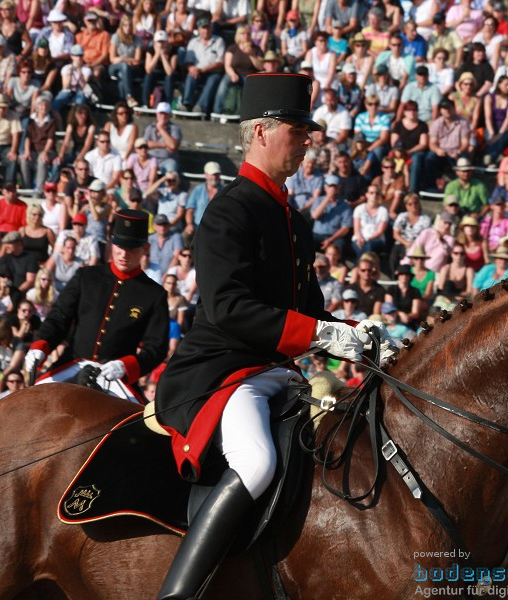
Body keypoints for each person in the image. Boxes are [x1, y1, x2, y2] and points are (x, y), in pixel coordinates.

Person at [152, 74, 388, 599]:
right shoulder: (229, 210)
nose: (307, 141)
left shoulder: (293, 220)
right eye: (297, 130)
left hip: (277, 374)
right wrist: (322, 332)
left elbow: (311, 312)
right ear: (260, 131)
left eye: (308, 131)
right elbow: (229, 308)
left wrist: (363, 338)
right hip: (221, 373)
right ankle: (178, 593)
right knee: (258, 462)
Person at [24, 210, 169, 395]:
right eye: (120, 247)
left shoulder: (154, 294)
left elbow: (156, 348)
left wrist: (126, 366)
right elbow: (59, 317)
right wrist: (41, 346)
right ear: (111, 244)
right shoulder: (86, 277)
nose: (124, 254)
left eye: (132, 249)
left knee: (140, 423)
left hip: (115, 375)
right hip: (72, 364)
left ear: (145, 249)